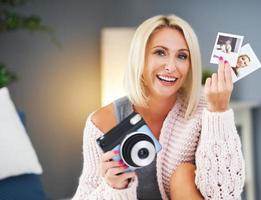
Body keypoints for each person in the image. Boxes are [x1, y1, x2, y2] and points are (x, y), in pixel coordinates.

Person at [73, 14, 245, 200]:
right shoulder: (101, 122)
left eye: (181, 56)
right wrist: (115, 189)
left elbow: (225, 195)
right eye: (160, 52)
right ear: (141, 57)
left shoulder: (204, 111)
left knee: (184, 174)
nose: (171, 66)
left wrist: (218, 113)